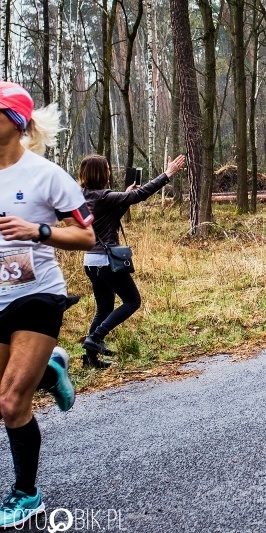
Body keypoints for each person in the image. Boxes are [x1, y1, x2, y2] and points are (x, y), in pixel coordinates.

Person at [0, 81, 95, 527]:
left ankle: (26, 494)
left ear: (16, 122)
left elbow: (86, 236)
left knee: (11, 401)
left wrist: (36, 231)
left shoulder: (46, 175)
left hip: (36, 295)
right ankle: (51, 367)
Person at [80, 153, 186, 366]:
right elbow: (142, 194)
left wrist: (125, 197)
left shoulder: (83, 197)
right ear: (102, 173)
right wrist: (167, 174)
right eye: (107, 169)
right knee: (132, 300)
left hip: (91, 261)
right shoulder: (104, 196)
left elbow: (107, 219)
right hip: (106, 261)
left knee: (104, 308)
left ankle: (90, 359)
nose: (109, 172)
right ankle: (96, 337)